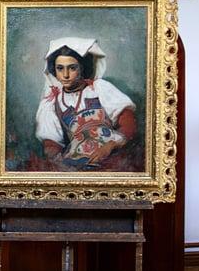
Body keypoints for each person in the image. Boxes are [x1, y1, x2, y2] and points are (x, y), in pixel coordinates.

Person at [34, 37, 139, 171]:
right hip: (76, 163)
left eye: (72, 68)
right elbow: (51, 144)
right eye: (60, 68)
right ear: (54, 70)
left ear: (82, 67)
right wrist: (59, 162)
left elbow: (129, 122)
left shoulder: (99, 88)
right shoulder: (52, 103)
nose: (65, 75)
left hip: (113, 154)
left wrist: (109, 146)